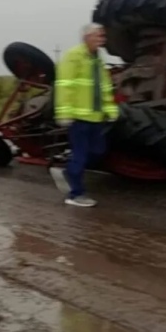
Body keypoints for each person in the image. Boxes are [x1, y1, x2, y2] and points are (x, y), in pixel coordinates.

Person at [54, 23, 119, 207]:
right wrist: (65, 113)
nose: (102, 39)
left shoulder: (98, 60)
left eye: (102, 36)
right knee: (80, 155)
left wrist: (111, 110)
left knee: (98, 151)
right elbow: (65, 86)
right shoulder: (74, 57)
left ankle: (70, 172)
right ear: (87, 37)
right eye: (99, 36)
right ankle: (75, 194)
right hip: (79, 118)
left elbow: (105, 88)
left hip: (96, 117)